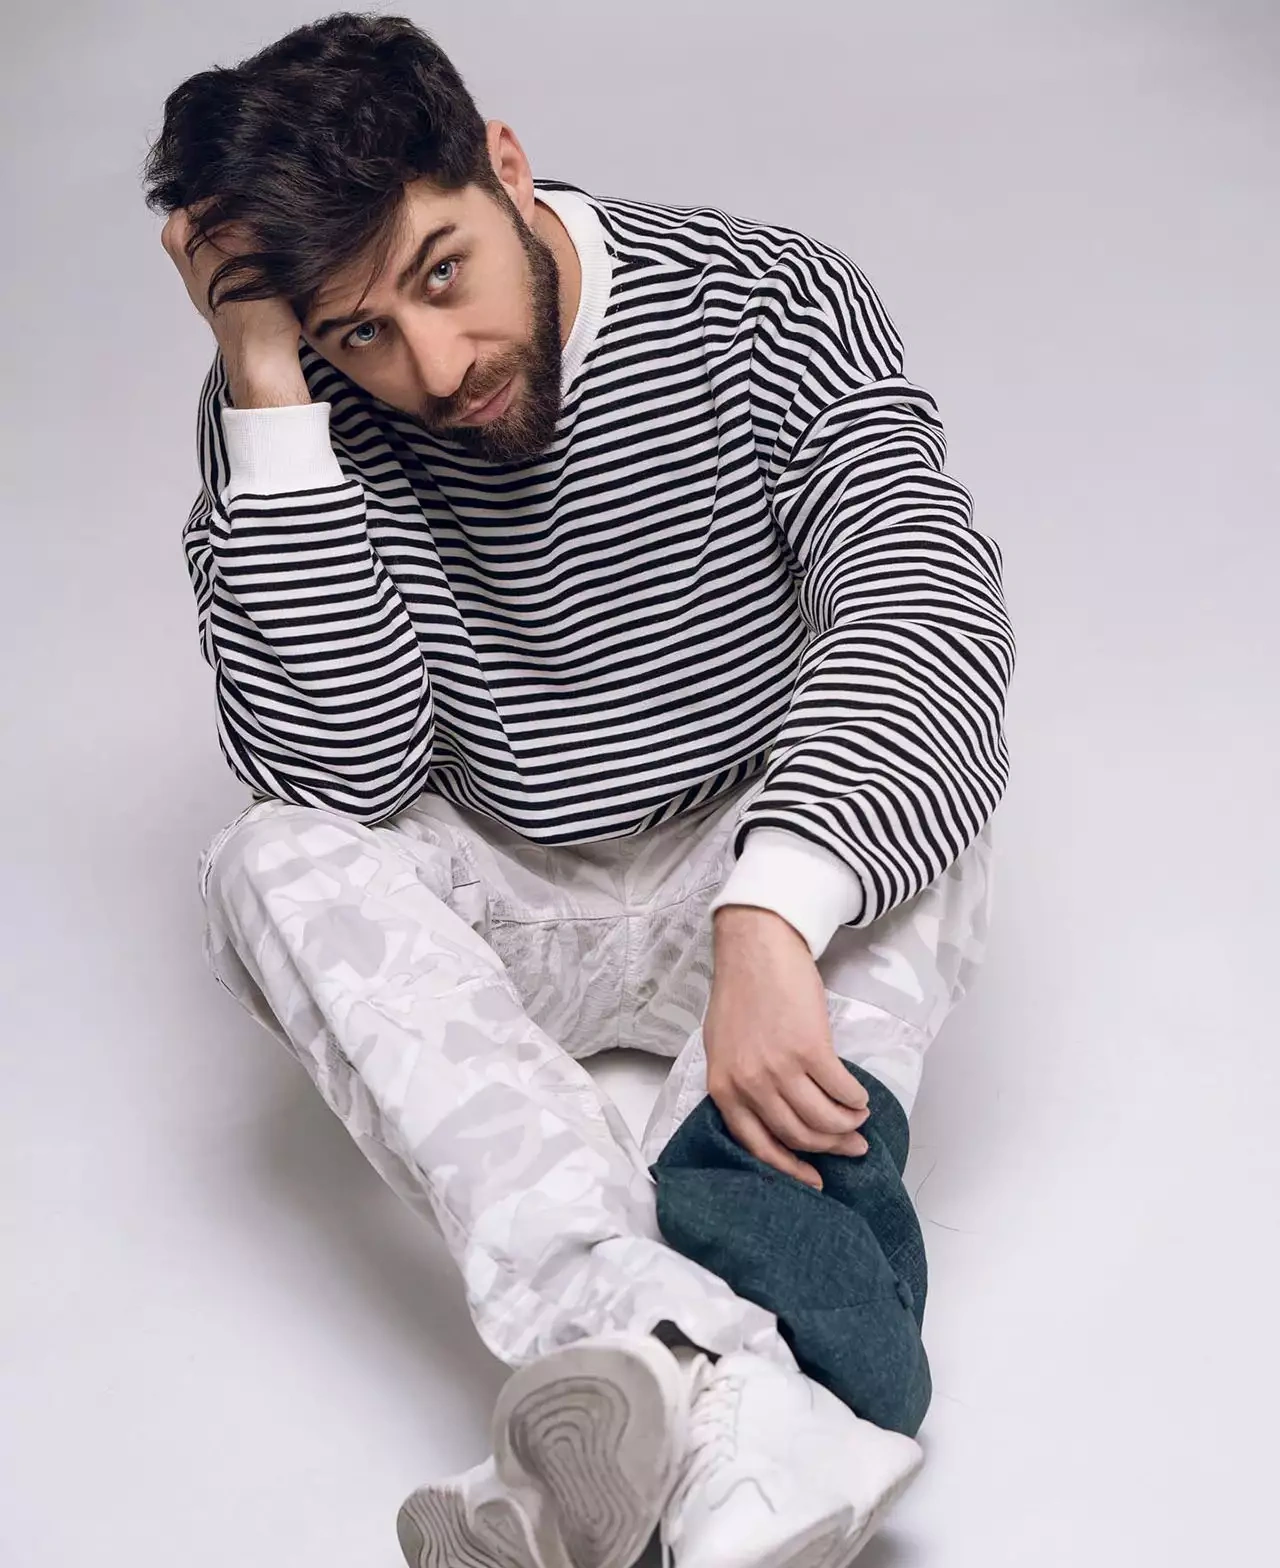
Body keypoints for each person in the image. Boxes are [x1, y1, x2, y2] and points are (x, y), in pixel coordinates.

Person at [143, 13, 1013, 1568]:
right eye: (358, 333)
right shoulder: (297, 402)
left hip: (746, 869)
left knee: (925, 800)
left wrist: (770, 915)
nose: (434, 369)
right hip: (506, 889)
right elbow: (342, 771)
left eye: (442, 275)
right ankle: (707, 1382)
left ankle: (657, 1415)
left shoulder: (764, 301)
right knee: (270, 859)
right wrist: (267, 378)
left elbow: (924, 591)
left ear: (504, 162)